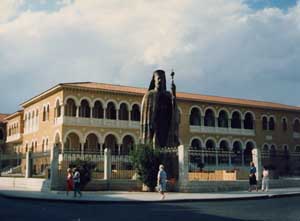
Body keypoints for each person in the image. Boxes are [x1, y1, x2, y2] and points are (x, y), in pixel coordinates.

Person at [140, 70, 180, 148]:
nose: (160, 80)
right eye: (158, 78)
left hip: (166, 127)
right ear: (154, 80)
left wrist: (174, 95)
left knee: (167, 146)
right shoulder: (149, 95)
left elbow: (174, 111)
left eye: (162, 79)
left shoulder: (168, 95)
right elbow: (145, 115)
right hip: (154, 127)